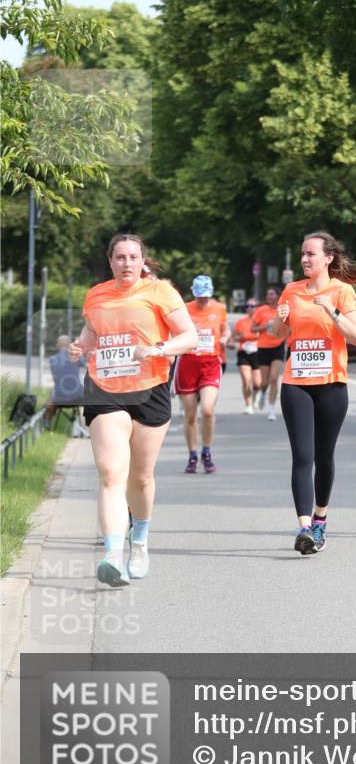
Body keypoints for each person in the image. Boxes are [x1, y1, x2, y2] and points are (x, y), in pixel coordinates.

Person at [68, 233, 197, 587]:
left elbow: (190, 337)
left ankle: (138, 541)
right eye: (120, 257)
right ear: (110, 261)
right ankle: (112, 554)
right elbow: (93, 331)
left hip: (149, 391)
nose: (126, 264)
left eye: (133, 257)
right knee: (111, 473)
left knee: (139, 477)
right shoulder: (96, 294)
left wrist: (157, 350)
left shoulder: (161, 292)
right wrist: (81, 346)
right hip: (105, 389)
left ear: (143, 261)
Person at [274, 232, 356, 555]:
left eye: (311, 254)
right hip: (296, 382)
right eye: (303, 254)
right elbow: (279, 335)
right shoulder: (291, 291)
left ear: (328, 258)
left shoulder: (342, 292)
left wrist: (333, 311)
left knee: (323, 456)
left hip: (332, 383)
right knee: (302, 456)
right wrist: (279, 321)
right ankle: (304, 528)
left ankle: (320, 519)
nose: (305, 259)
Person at [173, 275, 230, 473]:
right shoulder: (185, 309)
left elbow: (226, 329)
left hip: (211, 362)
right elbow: (174, 334)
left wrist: (225, 337)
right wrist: (189, 332)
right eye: (199, 297)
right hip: (188, 362)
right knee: (190, 415)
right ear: (194, 294)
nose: (203, 301)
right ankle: (192, 454)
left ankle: (206, 451)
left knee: (207, 410)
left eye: (206, 297)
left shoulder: (219, 308)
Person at [252, 286, 286, 421]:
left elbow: (289, 326)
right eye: (268, 294)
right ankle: (262, 393)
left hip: (278, 347)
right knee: (264, 382)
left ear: (278, 296)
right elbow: (252, 328)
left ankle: (271, 408)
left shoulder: (282, 309)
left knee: (274, 378)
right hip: (263, 348)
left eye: (272, 294)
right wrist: (264, 326)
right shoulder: (261, 310)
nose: (269, 296)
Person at [45, 334, 85, 428]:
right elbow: (84, 363)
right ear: (69, 345)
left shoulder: (52, 360)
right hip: (78, 397)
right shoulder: (75, 355)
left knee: (53, 393)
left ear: (57, 345)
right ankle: (87, 425)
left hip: (59, 400)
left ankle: (47, 423)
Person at [232, 298, 262, 413]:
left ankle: (256, 394)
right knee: (246, 380)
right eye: (247, 306)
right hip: (243, 352)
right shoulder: (241, 322)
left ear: (257, 308)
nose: (249, 308)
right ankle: (248, 404)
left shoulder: (260, 321)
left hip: (258, 352)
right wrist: (239, 338)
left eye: (252, 306)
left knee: (258, 383)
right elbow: (234, 338)